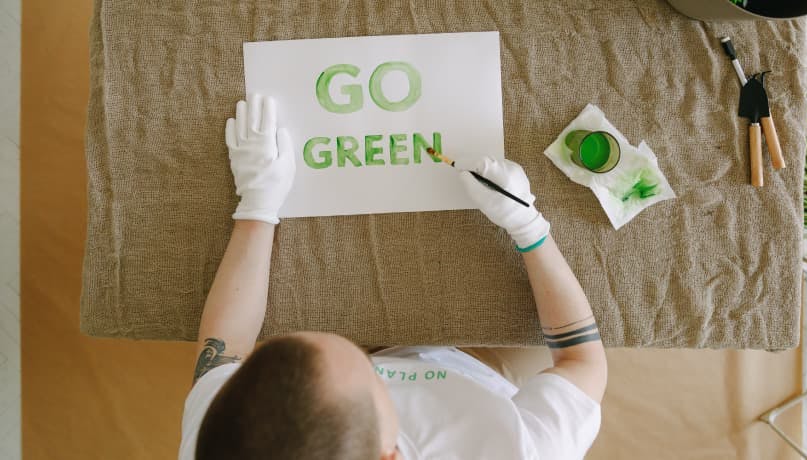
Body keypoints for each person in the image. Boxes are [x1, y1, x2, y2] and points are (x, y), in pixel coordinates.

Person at [179, 95, 608, 460]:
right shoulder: (515, 449)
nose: (377, 366)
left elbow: (224, 348)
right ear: (392, 454)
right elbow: (581, 362)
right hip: (480, 369)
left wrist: (256, 204)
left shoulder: (225, 436)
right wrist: (530, 229)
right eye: (371, 375)